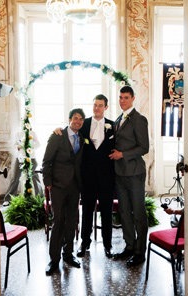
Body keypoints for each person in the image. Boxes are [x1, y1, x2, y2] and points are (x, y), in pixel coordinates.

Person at [109, 86, 151, 267]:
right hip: (119, 173)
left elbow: (144, 148)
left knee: (138, 213)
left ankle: (140, 252)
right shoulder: (118, 119)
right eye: (120, 97)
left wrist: (123, 155)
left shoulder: (139, 119)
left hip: (134, 173)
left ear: (133, 98)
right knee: (124, 212)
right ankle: (129, 246)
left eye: (126, 97)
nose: (122, 101)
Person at [42, 108, 86, 275]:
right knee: (58, 221)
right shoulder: (57, 136)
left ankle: (68, 254)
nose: (78, 121)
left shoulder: (82, 138)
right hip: (58, 186)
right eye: (75, 118)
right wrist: (48, 183)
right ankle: (54, 260)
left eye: (81, 119)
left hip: (75, 187)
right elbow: (46, 161)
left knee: (72, 221)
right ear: (69, 119)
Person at [75, 95, 117, 258]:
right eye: (95, 105)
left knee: (106, 211)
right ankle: (84, 243)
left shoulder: (113, 126)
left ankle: (108, 245)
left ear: (106, 107)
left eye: (100, 105)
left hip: (106, 177)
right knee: (86, 211)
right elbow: (70, 131)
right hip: (88, 177)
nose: (97, 108)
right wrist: (57, 130)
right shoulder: (83, 124)